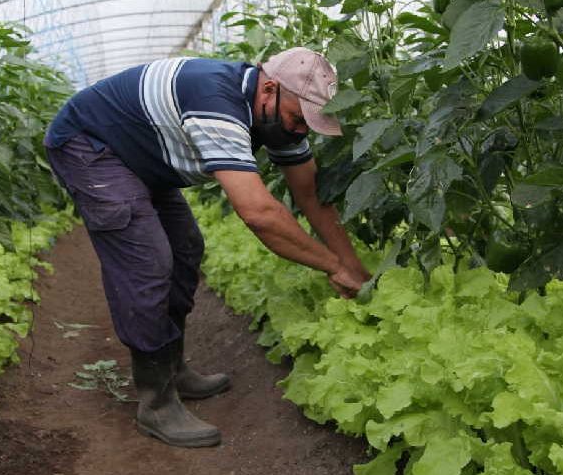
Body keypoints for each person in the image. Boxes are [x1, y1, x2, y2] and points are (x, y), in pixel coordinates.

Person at [43, 47, 371, 448]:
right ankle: (156, 403)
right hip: (91, 147)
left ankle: (173, 368)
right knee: (148, 262)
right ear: (269, 89)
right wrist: (332, 267)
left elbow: (313, 197)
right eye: (298, 119)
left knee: (184, 250)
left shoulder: (276, 121)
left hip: (141, 156)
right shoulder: (216, 102)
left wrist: (354, 268)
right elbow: (258, 214)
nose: (301, 131)